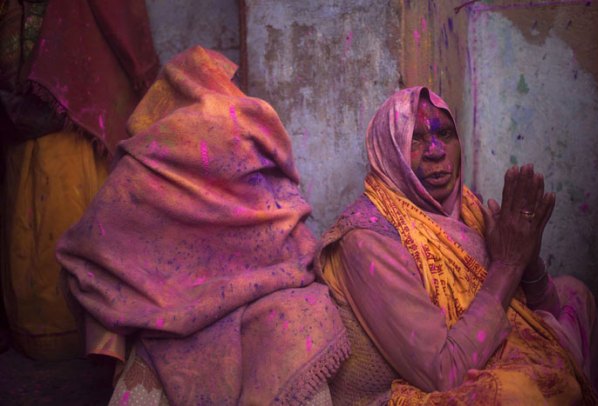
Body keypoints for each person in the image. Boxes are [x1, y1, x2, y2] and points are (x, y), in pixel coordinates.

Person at [56, 46, 349, 405]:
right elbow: (288, 215)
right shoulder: (248, 126)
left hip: (169, 305)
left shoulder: (147, 157)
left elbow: (88, 248)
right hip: (270, 282)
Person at [316, 86, 598, 404]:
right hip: (412, 388)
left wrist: (529, 258)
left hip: (478, 350)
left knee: (575, 295)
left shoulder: (465, 207)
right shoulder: (366, 241)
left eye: (445, 134)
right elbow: (444, 373)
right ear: (389, 152)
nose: (435, 150)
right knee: (520, 395)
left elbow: (542, 309)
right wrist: (508, 265)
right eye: (415, 138)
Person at [0, 0, 159, 360]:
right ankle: (54, 334)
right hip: (40, 113)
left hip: (79, 115)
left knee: (68, 216)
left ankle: (71, 334)